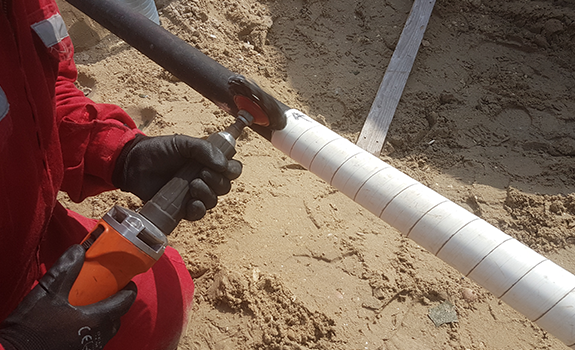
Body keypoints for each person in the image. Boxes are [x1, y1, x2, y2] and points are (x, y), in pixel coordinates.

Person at [0, 0, 242, 349]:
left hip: (25, 243)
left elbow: (45, 88)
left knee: (157, 303)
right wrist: (23, 343)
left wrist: (120, 154)